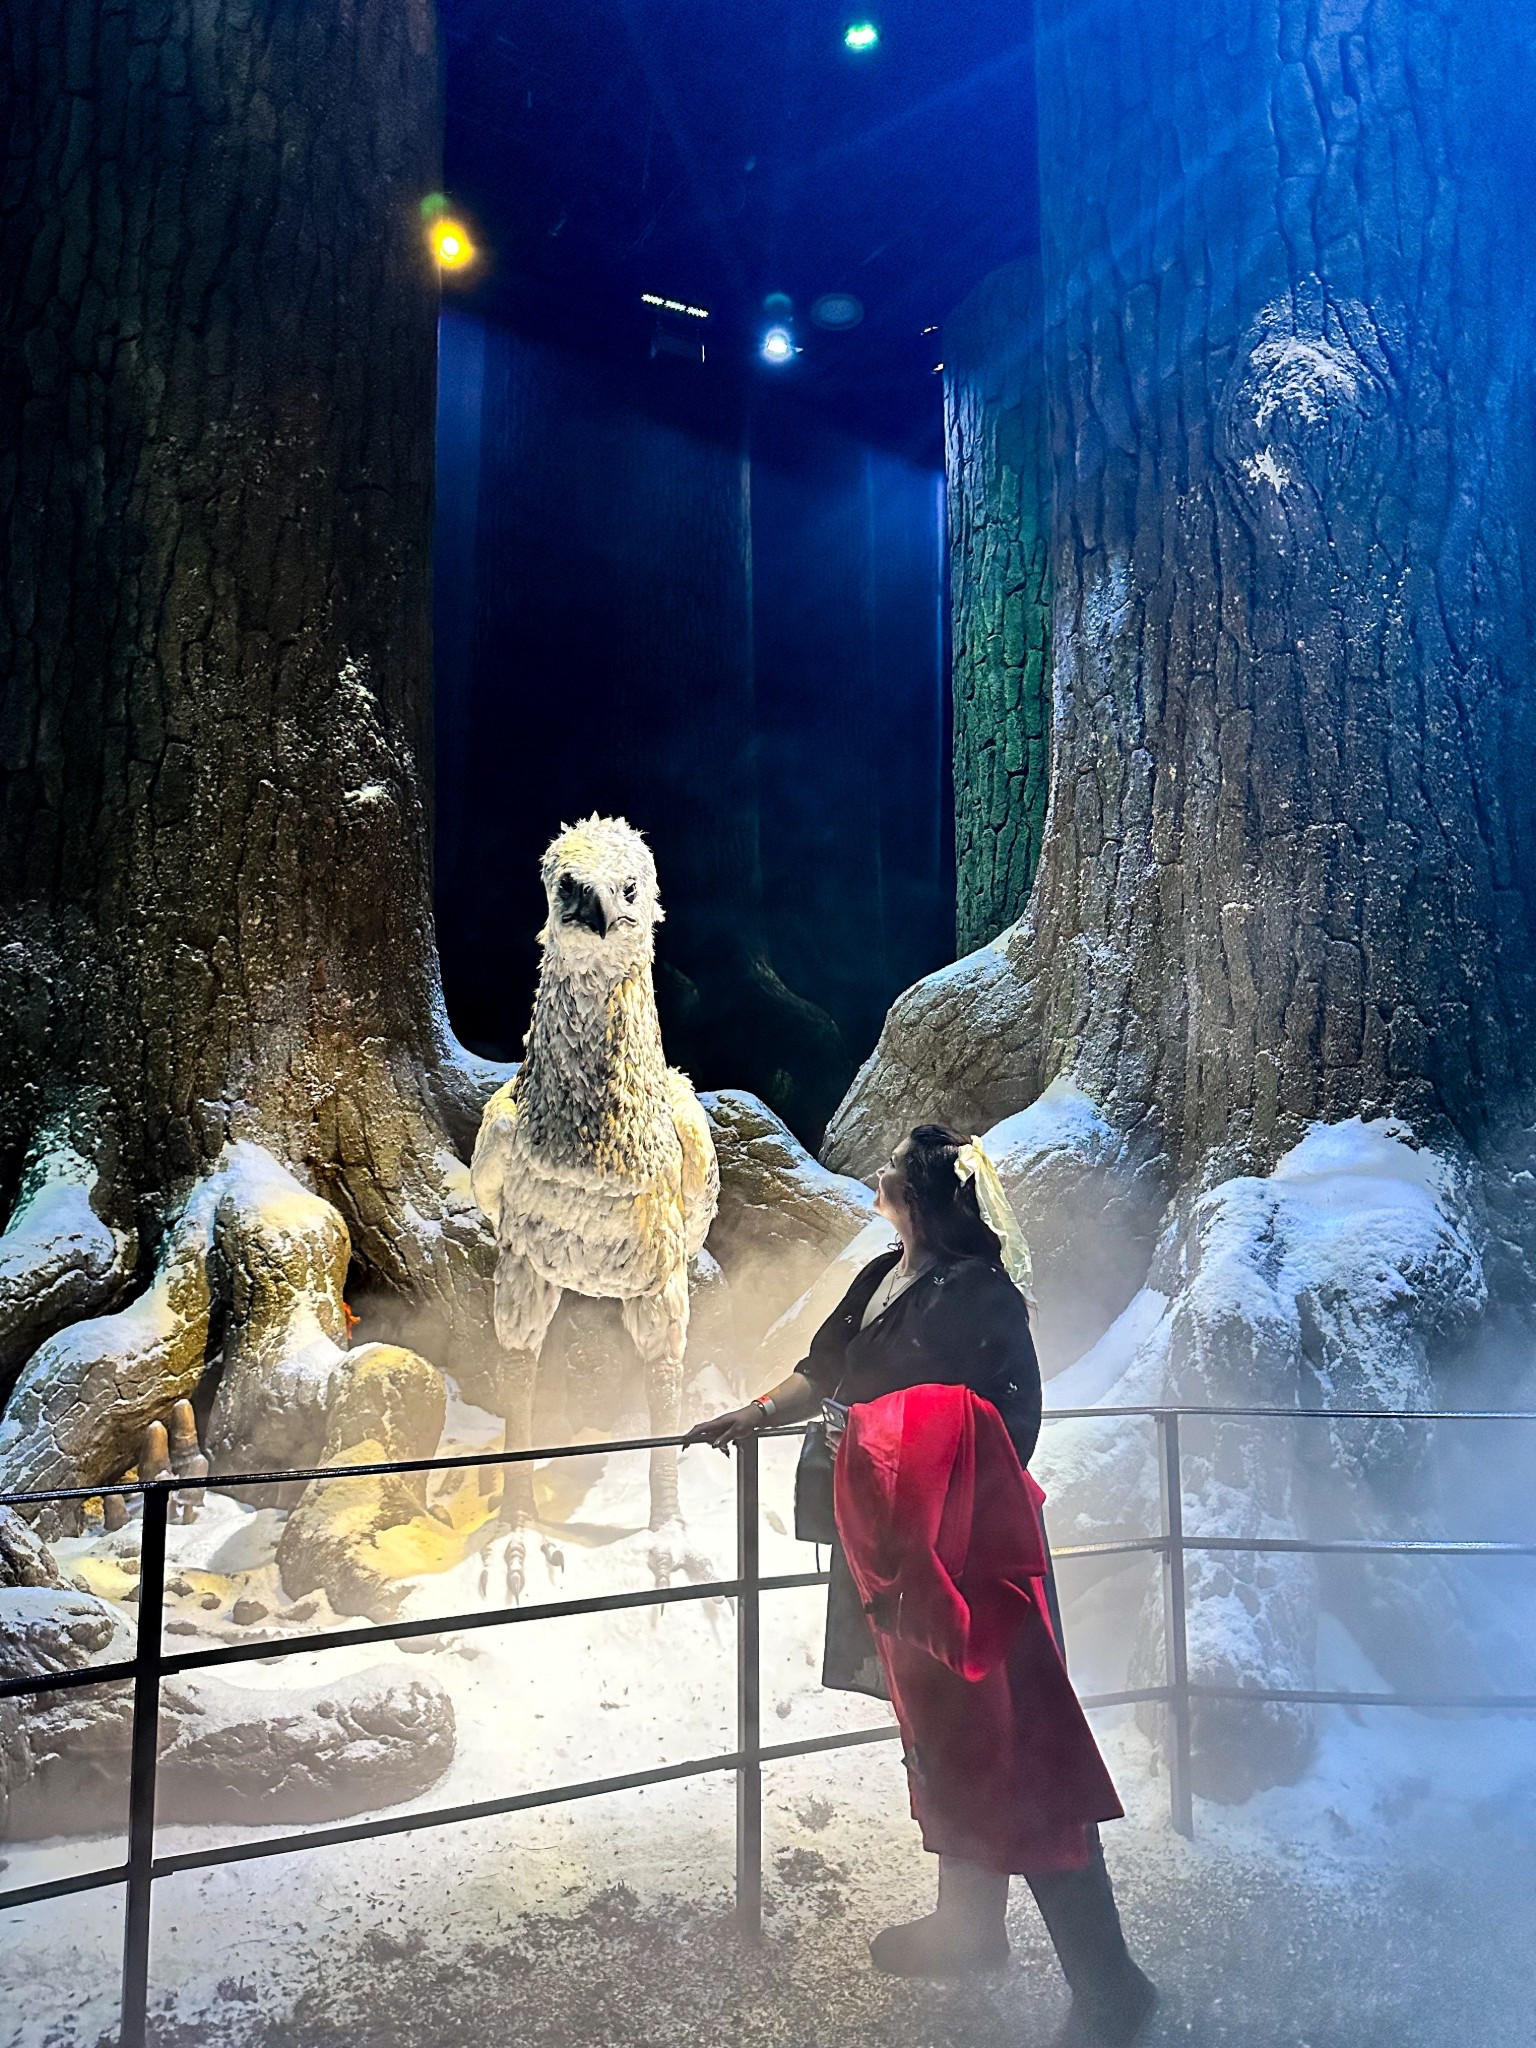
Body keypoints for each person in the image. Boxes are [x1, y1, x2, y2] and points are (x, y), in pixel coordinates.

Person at [686, 1123, 1156, 2048]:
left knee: (1020, 1752)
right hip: (898, 1554)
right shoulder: (881, 1275)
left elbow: (1010, 1426)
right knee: (941, 1741)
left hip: (972, 1561)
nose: (881, 1172)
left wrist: (882, 1440)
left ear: (927, 1198)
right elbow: (825, 1371)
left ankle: (1112, 1985)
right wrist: (756, 1413)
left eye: (896, 1167)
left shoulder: (984, 1296)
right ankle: (969, 1927)